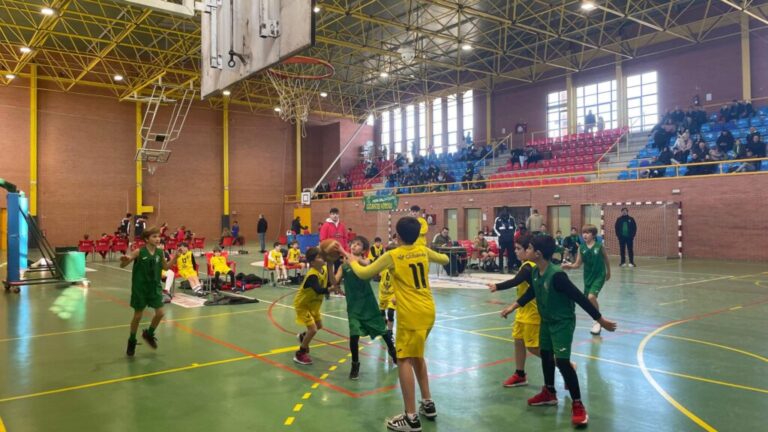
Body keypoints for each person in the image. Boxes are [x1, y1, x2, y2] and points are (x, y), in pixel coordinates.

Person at [344, 217, 449, 432]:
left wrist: (350, 258)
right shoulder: (423, 250)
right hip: (428, 311)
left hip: (411, 316)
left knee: (403, 360)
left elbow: (364, 272)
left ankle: (410, 417)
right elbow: (445, 259)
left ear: (397, 236)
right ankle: (427, 403)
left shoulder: (393, 255)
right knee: (417, 355)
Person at [501, 235, 617, 427]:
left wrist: (601, 320)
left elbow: (580, 298)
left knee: (562, 362)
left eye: (527, 248)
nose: (525, 251)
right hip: (546, 321)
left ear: (537, 253)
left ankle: (578, 405)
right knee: (546, 355)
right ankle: (549, 392)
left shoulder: (557, 275)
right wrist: (512, 307)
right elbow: (532, 292)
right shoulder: (536, 272)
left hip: (562, 322)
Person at [339, 236, 398, 379]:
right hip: (353, 306)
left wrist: (342, 251)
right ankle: (355, 364)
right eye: (353, 244)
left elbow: (361, 262)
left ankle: (392, 350)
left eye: (358, 245)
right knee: (354, 335)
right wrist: (329, 263)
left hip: (368, 303)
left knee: (382, 330)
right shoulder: (344, 265)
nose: (354, 246)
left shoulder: (366, 262)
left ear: (364, 249)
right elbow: (334, 280)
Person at [488, 233, 541, 388]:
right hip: (522, 311)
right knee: (518, 341)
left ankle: (566, 366)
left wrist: (497, 286)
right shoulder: (525, 265)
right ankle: (520, 374)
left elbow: (515, 281)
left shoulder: (529, 267)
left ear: (528, 250)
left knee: (533, 347)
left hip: (532, 312)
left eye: (519, 249)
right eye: (515, 249)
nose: (516, 251)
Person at [120, 226, 168, 356]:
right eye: (154, 236)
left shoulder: (159, 253)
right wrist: (124, 261)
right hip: (140, 288)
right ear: (146, 239)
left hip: (154, 287)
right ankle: (131, 340)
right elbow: (123, 264)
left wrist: (176, 257)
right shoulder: (138, 252)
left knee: (160, 313)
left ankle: (149, 334)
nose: (158, 239)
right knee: (138, 316)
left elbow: (166, 267)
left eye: (158, 236)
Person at [293, 247, 342, 365]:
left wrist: (338, 268)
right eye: (319, 257)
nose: (322, 258)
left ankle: (303, 337)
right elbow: (319, 290)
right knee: (313, 329)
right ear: (312, 262)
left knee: (319, 326)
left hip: (313, 305)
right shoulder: (312, 276)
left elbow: (331, 280)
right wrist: (332, 288)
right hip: (303, 305)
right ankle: (300, 353)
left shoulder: (324, 269)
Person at [562, 225, 611, 335]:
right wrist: (569, 266)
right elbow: (578, 264)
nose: (584, 235)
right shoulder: (581, 248)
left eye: (588, 232)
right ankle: (597, 319)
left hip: (599, 275)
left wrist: (609, 272)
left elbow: (606, 259)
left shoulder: (599, 246)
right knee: (589, 300)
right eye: (583, 232)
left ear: (593, 235)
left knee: (591, 297)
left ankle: (597, 320)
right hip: (588, 277)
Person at [494, 207, 517, 273]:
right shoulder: (498, 219)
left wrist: (513, 235)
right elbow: (495, 228)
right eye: (504, 210)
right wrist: (500, 235)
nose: (505, 211)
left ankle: (510, 268)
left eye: (506, 210)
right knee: (501, 254)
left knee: (511, 254)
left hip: (510, 239)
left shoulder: (512, 219)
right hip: (502, 240)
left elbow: (515, 227)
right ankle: (501, 269)